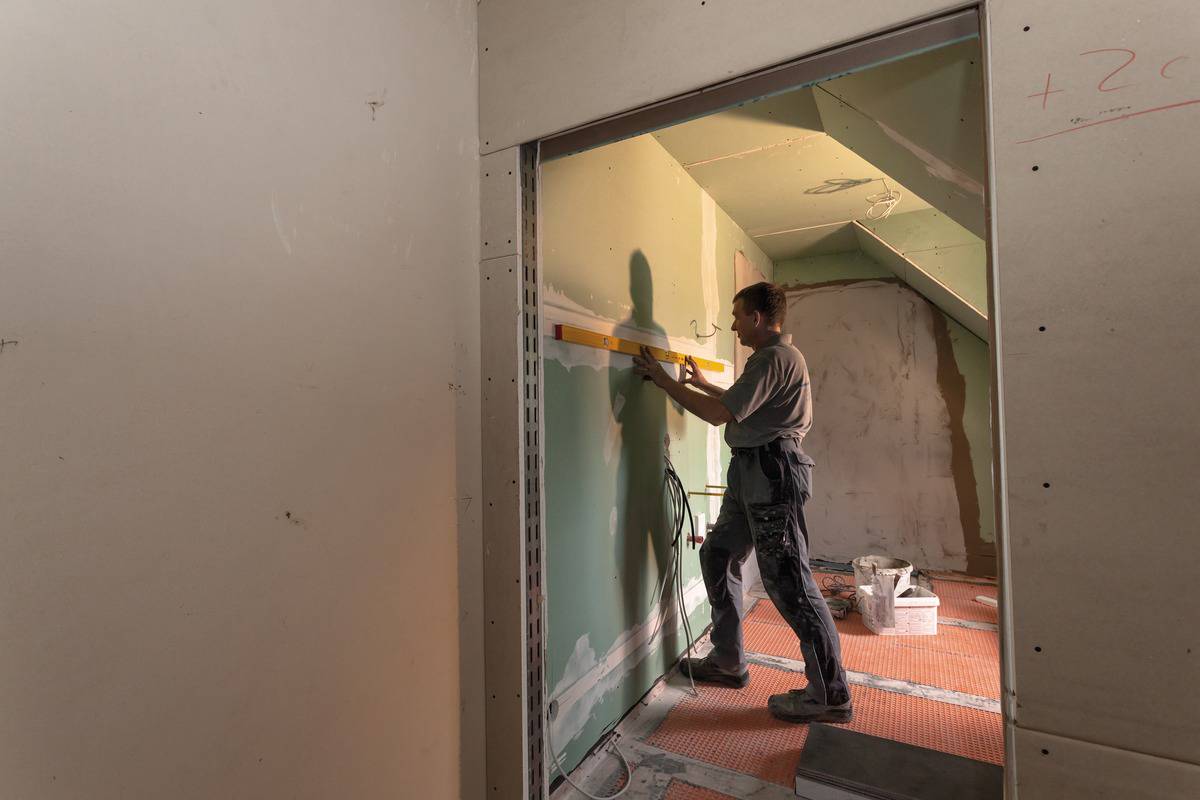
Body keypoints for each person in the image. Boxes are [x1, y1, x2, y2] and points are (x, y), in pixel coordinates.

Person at [631, 281, 852, 724]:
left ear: (757, 318)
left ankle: (830, 692)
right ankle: (728, 661)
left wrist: (660, 381)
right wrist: (706, 385)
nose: (732, 325)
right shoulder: (773, 360)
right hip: (752, 473)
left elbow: (720, 416)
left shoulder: (774, 358)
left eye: (737, 316)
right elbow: (740, 404)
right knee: (717, 554)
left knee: (789, 581)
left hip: (771, 475)